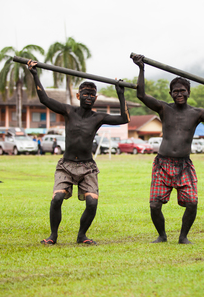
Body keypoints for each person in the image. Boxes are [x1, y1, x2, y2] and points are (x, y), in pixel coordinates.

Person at [132, 54, 204, 244]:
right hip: (162, 163)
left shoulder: (197, 113)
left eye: (182, 91)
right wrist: (141, 68)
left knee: (192, 203)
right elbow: (141, 95)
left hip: (184, 165)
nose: (179, 94)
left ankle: (183, 237)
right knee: (155, 204)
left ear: (189, 92)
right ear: (170, 93)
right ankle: (162, 236)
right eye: (175, 91)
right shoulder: (164, 109)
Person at [27, 60, 130, 245]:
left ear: (95, 98)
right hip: (66, 165)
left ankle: (82, 235)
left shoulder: (98, 117)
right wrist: (34, 74)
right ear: (78, 95)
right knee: (57, 198)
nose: (89, 97)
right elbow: (45, 99)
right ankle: (53, 236)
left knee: (92, 202)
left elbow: (124, 118)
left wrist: (120, 94)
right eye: (85, 94)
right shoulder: (69, 111)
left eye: (92, 94)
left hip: (87, 167)